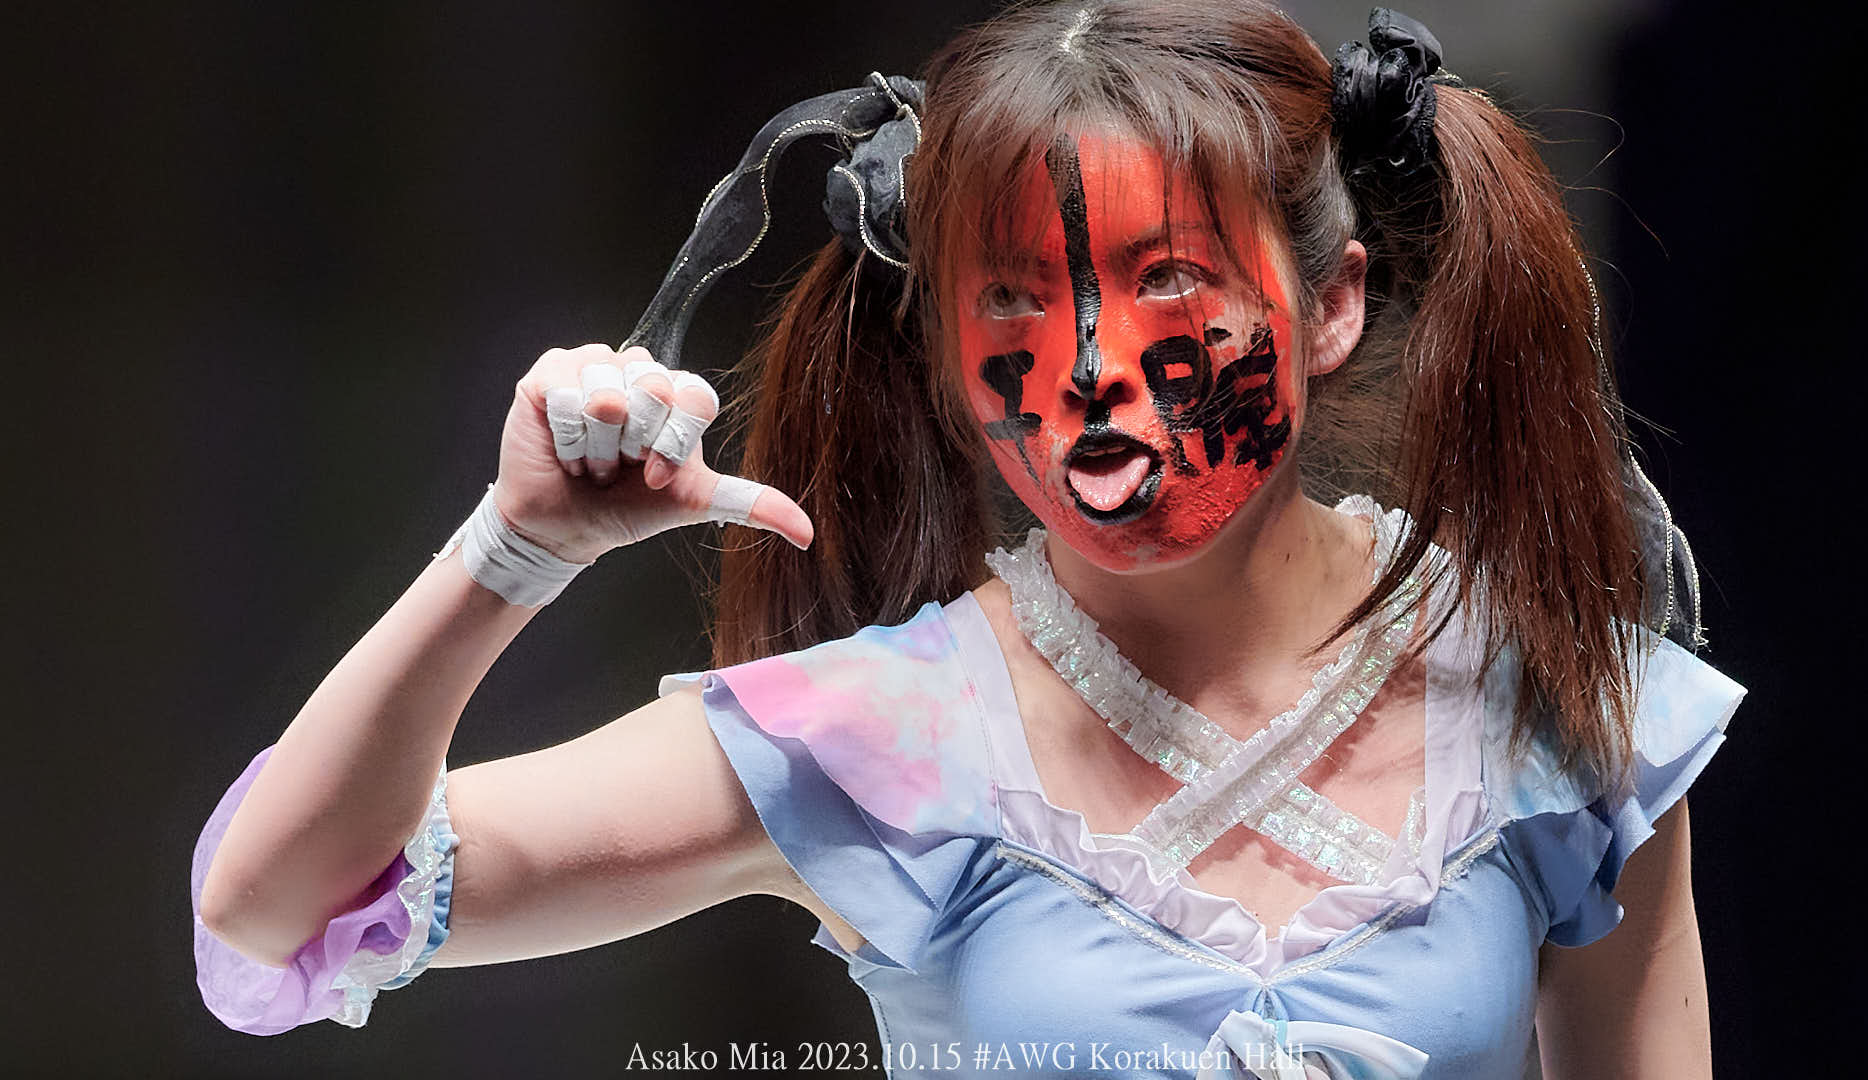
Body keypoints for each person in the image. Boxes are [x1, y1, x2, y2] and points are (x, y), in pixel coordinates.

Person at [189, 3, 1742, 1077]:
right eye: (1012, 301)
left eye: (1165, 280)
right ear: (944, 348)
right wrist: (514, 551)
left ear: (1328, 304)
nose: (1088, 366)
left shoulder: (1555, 696)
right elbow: (276, 908)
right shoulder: (891, 732)